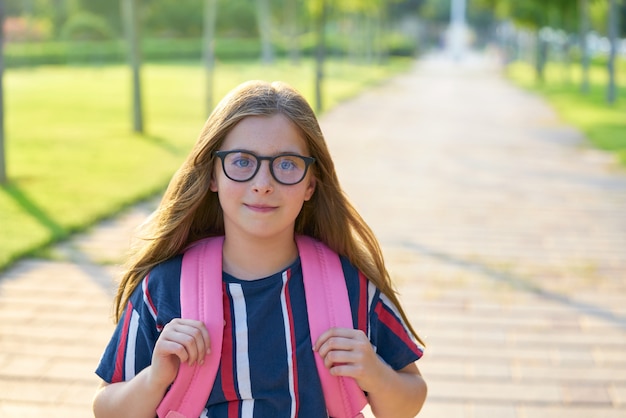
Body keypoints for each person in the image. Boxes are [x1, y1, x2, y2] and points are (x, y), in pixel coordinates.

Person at [93, 80, 427, 418]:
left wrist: (375, 374)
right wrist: (155, 379)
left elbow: (409, 398)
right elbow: (107, 408)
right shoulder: (164, 288)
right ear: (213, 175)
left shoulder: (349, 285)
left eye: (286, 164)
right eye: (241, 161)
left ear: (311, 183)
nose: (263, 185)